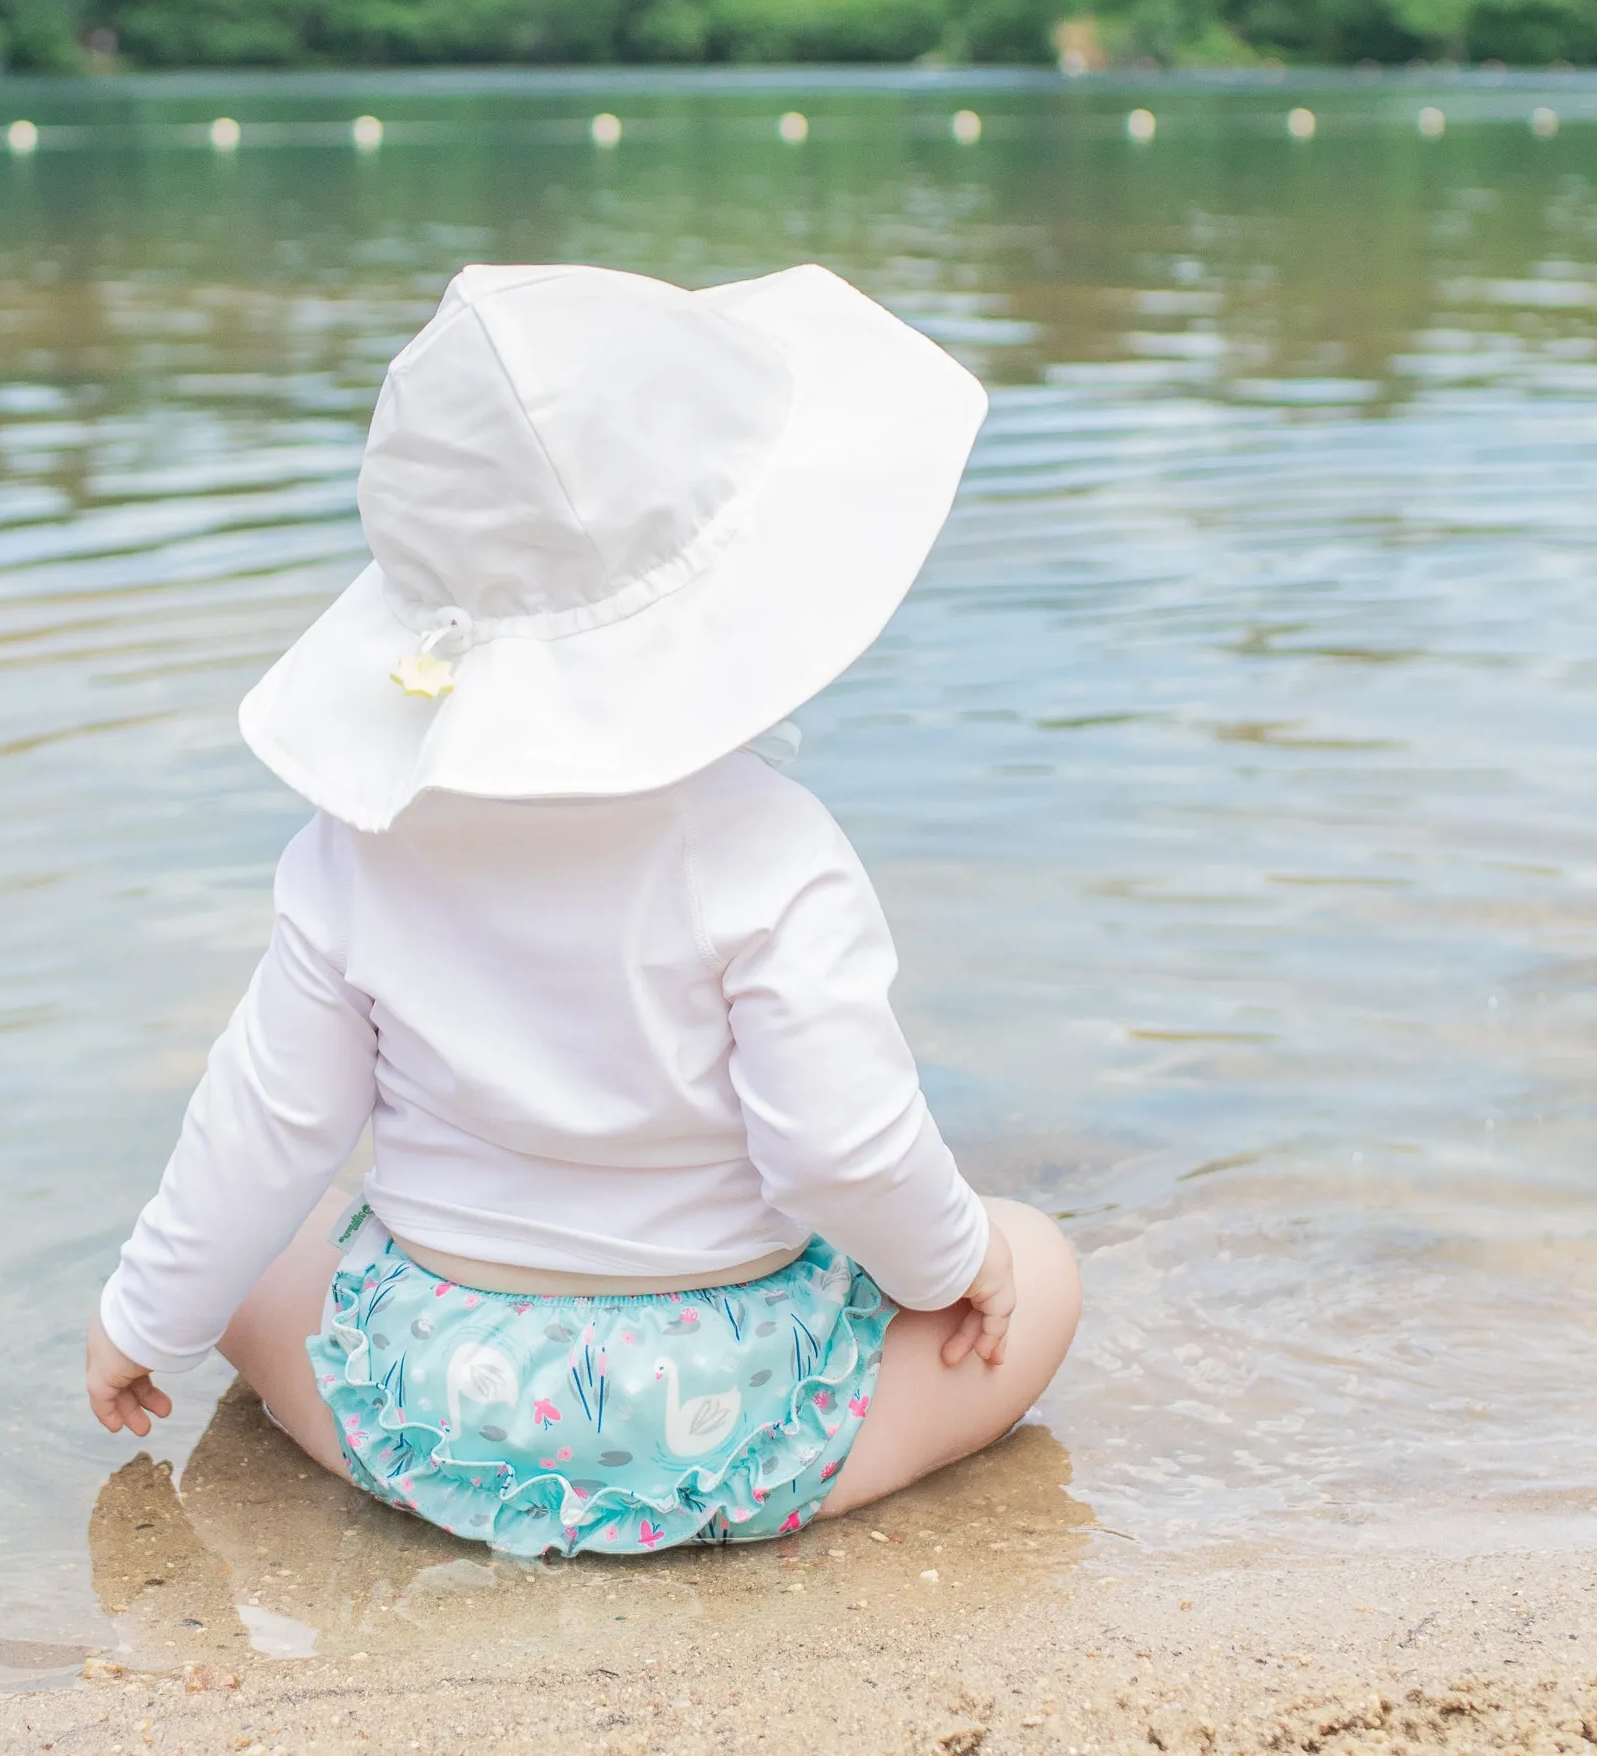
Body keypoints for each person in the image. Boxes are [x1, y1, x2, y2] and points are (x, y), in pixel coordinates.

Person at [86, 262, 1081, 1554]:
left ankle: (449, 1487)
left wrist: (139, 1320)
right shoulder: (769, 851)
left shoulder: (358, 846)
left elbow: (264, 1127)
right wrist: (958, 1266)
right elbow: (841, 1150)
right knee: (1038, 1267)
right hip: (727, 1406)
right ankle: (769, 1491)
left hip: (445, 1398)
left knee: (253, 1264)